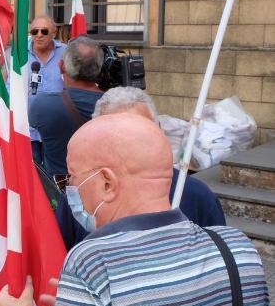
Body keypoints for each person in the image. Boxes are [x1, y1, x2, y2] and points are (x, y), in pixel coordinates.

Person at [0, 113, 269, 306]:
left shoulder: (94, 266)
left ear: (107, 183)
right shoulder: (238, 250)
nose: (69, 189)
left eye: (71, 178)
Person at [55, 87, 227, 250]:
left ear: (159, 132)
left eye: (141, 131)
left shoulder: (198, 197)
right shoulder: (79, 194)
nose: (130, 143)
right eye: (115, 135)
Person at [28, 36, 104, 177]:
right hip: (101, 185)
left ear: (62, 66)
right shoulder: (118, 104)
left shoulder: (44, 105)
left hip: (61, 186)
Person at [26, 15, 67, 165]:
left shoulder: (66, 52)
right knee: (32, 173)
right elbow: (10, 88)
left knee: (55, 174)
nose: (38, 35)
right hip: (28, 130)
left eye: (44, 31)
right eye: (34, 31)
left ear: (54, 33)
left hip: (58, 129)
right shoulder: (19, 54)